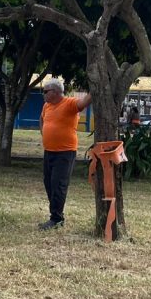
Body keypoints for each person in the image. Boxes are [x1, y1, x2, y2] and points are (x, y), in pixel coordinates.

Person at [38, 78, 91, 230]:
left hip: (65, 153)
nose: (44, 94)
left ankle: (56, 219)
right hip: (49, 152)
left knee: (58, 185)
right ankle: (55, 214)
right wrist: (45, 133)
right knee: (48, 183)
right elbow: (41, 120)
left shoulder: (69, 103)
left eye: (45, 91)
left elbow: (84, 103)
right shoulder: (46, 106)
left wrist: (95, 87)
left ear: (55, 92)